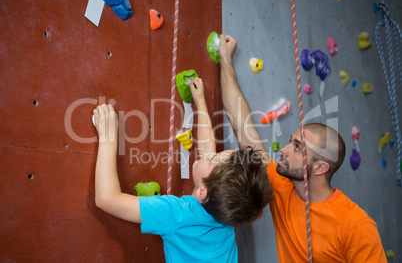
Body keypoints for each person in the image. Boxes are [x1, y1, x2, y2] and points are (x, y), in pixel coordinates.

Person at [219, 34, 387, 262]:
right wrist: (226, 60)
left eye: (298, 147)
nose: (285, 149)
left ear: (319, 168)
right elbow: (242, 125)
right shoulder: (282, 188)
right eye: (291, 141)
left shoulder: (355, 225)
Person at [92, 77, 273, 263]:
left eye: (212, 158)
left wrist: (108, 136)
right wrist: (200, 102)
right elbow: (207, 150)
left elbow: (107, 199)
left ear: (202, 192)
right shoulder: (227, 215)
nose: (209, 154)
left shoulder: (177, 214)